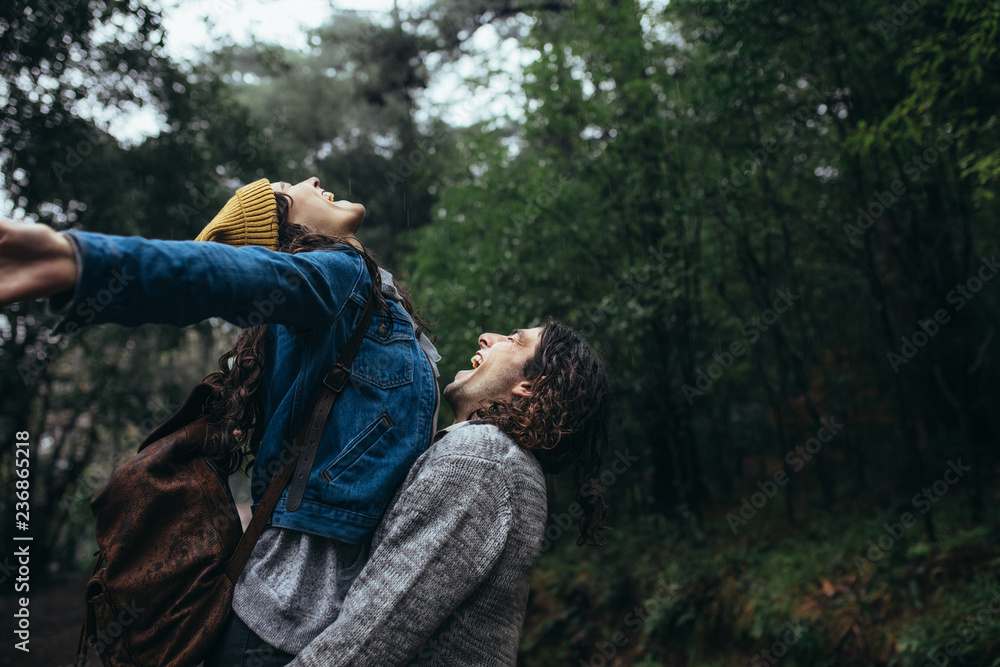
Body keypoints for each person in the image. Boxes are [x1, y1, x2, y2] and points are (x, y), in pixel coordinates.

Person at [0, 176, 441, 665]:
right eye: (290, 188)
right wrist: (84, 263)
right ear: (285, 231)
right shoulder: (340, 274)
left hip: (301, 622)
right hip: (284, 622)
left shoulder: (365, 304)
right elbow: (236, 275)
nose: (313, 179)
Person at [288, 321, 612, 666]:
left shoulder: (480, 457)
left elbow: (382, 622)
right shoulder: (506, 461)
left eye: (515, 341)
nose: (487, 337)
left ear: (530, 386)